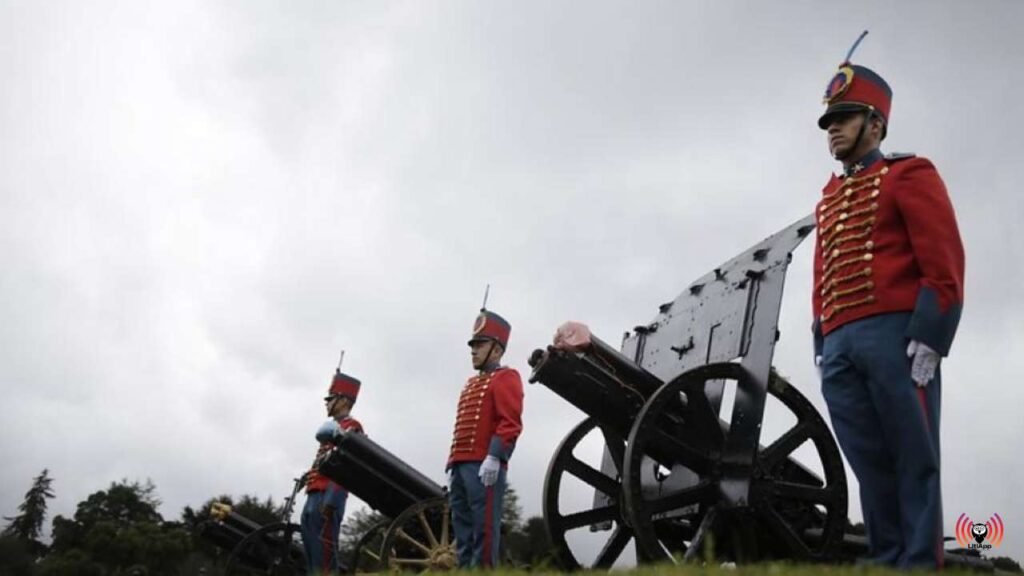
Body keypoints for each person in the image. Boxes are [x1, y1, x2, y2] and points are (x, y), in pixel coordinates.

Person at [811, 33, 965, 570]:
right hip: (842, 340)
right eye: (829, 121)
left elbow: (942, 258)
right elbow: (822, 269)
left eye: (844, 118)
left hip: (897, 334)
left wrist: (933, 331)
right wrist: (821, 336)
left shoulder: (908, 174)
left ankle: (920, 559)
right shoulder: (828, 197)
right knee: (867, 458)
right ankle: (887, 554)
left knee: (913, 455)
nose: (833, 129)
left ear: (875, 123)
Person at [446, 308, 524, 568]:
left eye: (480, 344)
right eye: (473, 345)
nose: (474, 350)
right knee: (463, 533)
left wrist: (495, 456)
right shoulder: (470, 384)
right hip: (460, 465)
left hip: (484, 465)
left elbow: (509, 423)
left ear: (498, 350)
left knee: (484, 531)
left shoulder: (506, 377)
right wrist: (453, 463)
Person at [302, 368, 364, 575]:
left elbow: (345, 467)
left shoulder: (352, 427)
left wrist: (332, 499)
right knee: (311, 552)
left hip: (327, 495)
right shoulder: (335, 426)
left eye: (332, 398)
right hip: (314, 492)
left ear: (344, 401)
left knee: (325, 553)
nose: (327, 403)